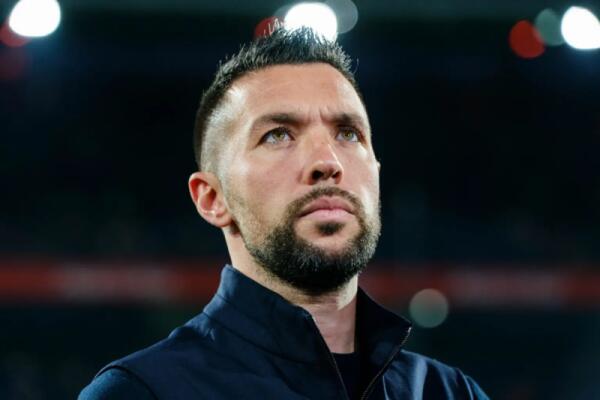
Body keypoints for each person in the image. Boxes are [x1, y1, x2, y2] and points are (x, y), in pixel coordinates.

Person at [79, 26, 489, 399]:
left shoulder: (451, 393)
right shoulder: (141, 393)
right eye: (278, 135)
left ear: (377, 173)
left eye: (348, 133)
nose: (328, 161)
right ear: (212, 198)